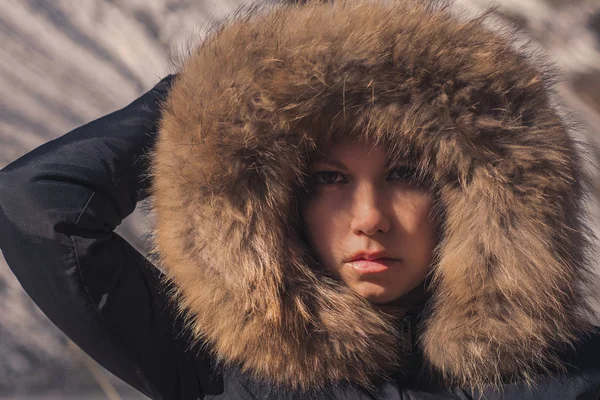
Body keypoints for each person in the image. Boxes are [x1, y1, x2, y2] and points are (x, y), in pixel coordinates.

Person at [1, 0, 600, 399]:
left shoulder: (573, 376)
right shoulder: (219, 366)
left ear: (477, 199)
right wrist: (220, 99)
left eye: (409, 173)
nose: (369, 219)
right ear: (279, 203)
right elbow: (38, 203)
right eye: (327, 180)